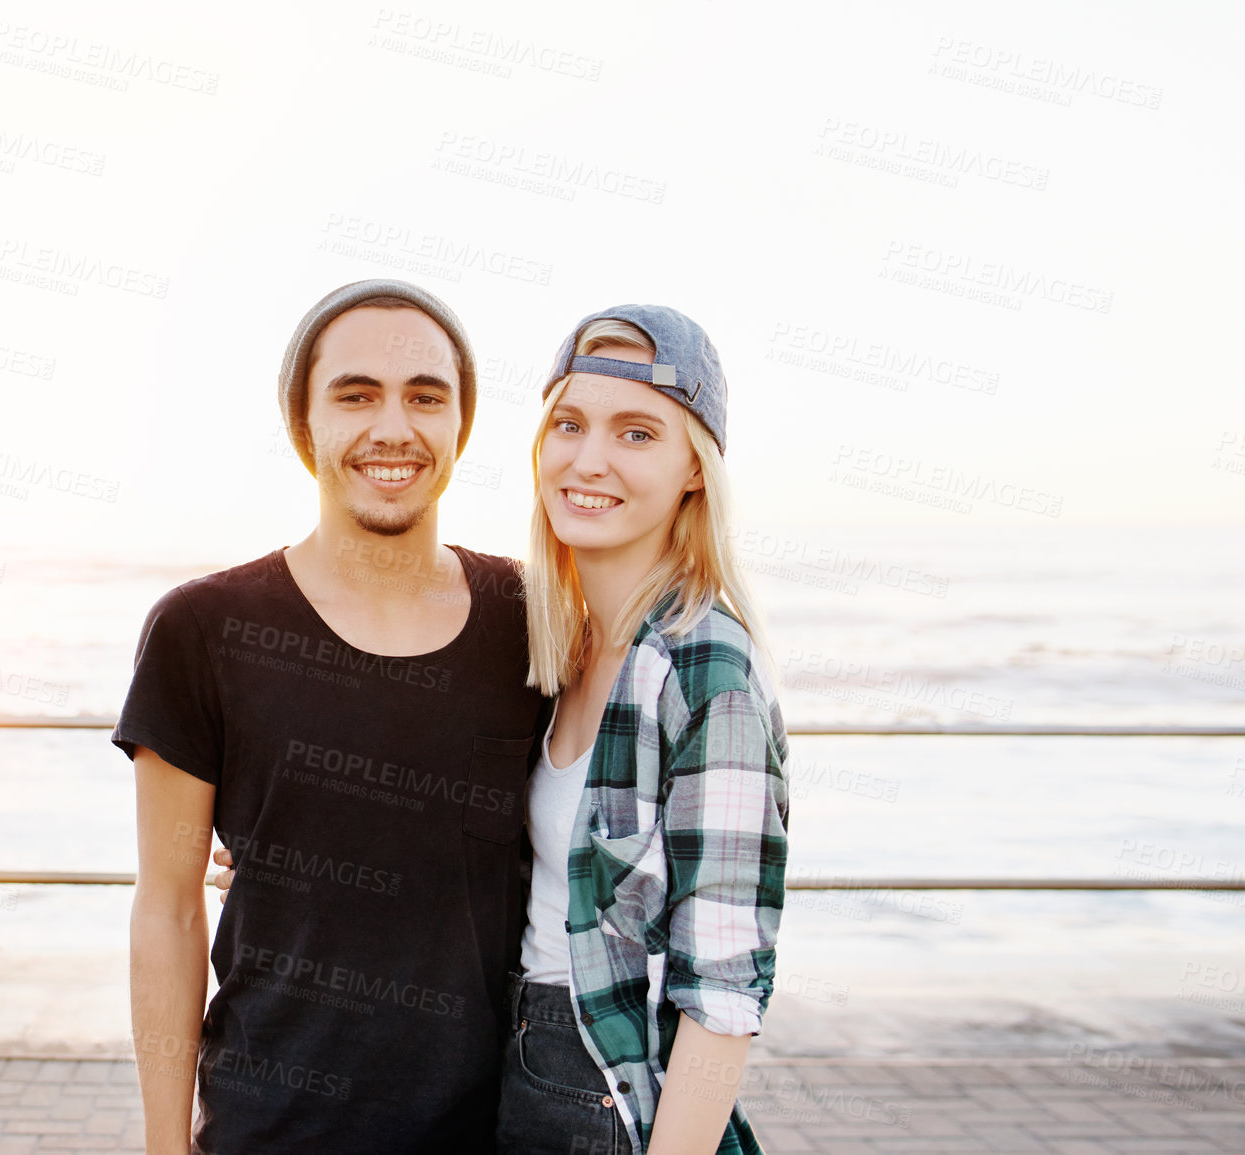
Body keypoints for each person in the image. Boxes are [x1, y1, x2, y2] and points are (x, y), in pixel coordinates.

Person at [117, 279, 548, 1154]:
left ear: (460, 425)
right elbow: (167, 908)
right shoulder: (203, 629)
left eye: (425, 396)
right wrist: (165, 1144)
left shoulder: (534, 618)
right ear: (303, 422)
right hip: (268, 1130)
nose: (393, 427)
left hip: (495, 1132)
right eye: (355, 394)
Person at [495, 305, 790, 1155]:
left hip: (608, 1097)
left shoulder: (706, 671)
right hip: (514, 1064)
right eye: (570, 424)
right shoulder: (561, 643)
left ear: (694, 469)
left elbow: (724, 990)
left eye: (635, 434)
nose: (588, 459)